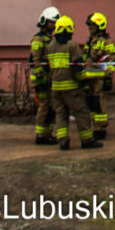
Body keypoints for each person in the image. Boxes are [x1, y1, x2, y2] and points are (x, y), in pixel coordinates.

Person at [48, 15, 102, 150]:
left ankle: (63, 141)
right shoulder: (72, 46)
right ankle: (87, 140)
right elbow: (77, 68)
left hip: (55, 89)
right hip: (72, 89)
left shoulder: (50, 46)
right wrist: (84, 82)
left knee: (60, 114)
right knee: (82, 112)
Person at [82, 11, 115, 140]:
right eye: (89, 26)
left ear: (99, 26)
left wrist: (108, 77)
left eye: (92, 26)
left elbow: (112, 60)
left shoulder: (106, 41)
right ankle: (95, 126)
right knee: (90, 103)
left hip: (99, 79)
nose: (89, 28)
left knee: (99, 103)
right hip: (88, 78)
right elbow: (85, 59)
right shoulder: (89, 41)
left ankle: (101, 128)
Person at [29, 6, 60, 145]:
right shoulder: (38, 39)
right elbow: (35, 61)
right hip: (41, 81)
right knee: (43, 107)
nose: (54, 25)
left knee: (50, 107)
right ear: (45, 22)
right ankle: (40, 135)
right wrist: (41, 78)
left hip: (50, 79)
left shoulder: (50, 39)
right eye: (52, 22)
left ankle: (47, 133)